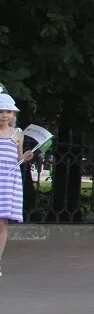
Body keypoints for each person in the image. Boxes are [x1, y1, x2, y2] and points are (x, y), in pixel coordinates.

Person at [0, 92, 34, 275]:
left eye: (8, 111)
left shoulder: (17, 134)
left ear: (13, 114)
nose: (4, 115)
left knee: (1, 222)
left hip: (7, 180)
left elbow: (18, 159)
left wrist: (26, 156)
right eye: (0, 111)